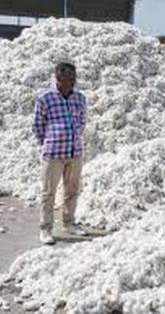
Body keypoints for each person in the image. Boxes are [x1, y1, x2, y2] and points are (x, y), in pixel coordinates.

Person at [32, 62, 88, 245]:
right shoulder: (45, 98)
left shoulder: (79, 98)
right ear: (58, 78)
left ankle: (69, 223)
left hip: (75, 152)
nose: (72, 81)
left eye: (74, 77)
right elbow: (38, 125)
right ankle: (46, 229)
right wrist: (48, 142)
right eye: (68, 78)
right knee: (48, 193)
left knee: (72, 190)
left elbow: (82, 120)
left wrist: (75, 135)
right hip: (54, 153)